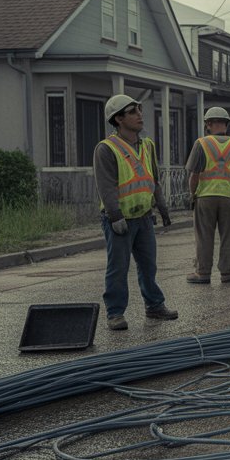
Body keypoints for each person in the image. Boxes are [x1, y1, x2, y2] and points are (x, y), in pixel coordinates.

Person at [94, 94, 177, 331]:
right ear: (118, 119)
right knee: (118, 267)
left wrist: (162, 208)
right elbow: (106, 186)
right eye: (133, 112)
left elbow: (154, 180)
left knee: (148, 265)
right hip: (120, 220)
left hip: (143, 217)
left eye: (139, 110)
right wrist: (115, 216)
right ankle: (115, 313)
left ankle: (154, 305)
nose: (140, 115)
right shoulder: (106, 149)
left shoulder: (147, 145)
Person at [185, 106, 230, 284]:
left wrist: (192, 195)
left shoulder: (201, 144)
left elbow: (194, 175)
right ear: (227, 125)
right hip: (229, 198)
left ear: (208, 124)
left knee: (204, 236)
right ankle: (228, 271)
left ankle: (203, 273)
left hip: (205, 197)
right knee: (229, 236)